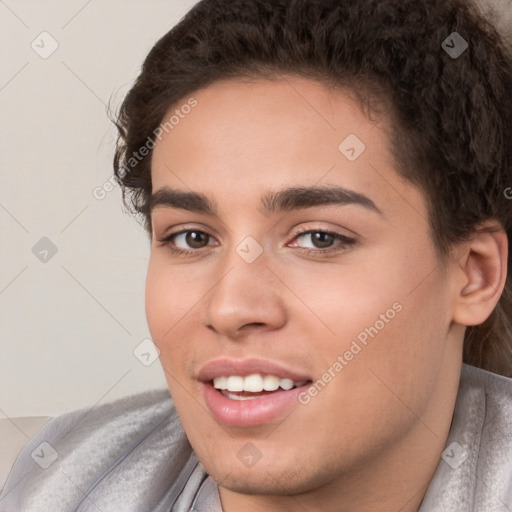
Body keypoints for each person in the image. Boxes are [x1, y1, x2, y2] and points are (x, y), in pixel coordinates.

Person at [2, 0, 512, 510]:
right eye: (192, 237)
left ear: (474, 275)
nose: (230, 308)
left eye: (318, 238)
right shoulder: (60, 483)